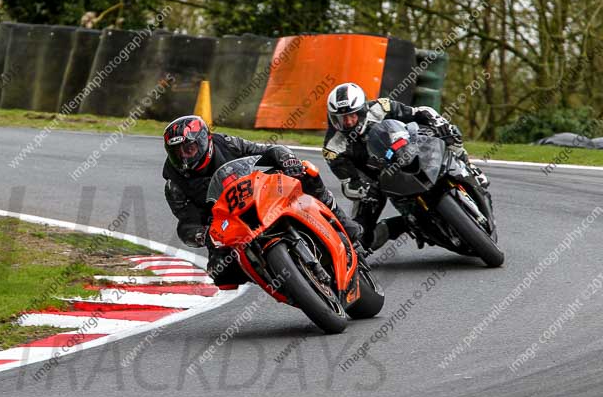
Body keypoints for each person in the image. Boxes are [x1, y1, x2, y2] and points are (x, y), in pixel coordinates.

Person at [163, 115, 362, 287]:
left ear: (204, 142)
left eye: (188, 149)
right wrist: (202, 234)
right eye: (176, 153)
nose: (184, 158)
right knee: (220, 273)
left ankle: (340, 220)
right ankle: (274, 277)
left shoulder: (225, 142)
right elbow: (186, 221)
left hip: (259, 192)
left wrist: (286, 159)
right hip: (225, 224)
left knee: (307, 171)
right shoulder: (174, 184)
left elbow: (265, 150)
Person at [322, 82, 488, 250]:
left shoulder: (381, 108)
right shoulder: (333, 148)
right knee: (360, 239)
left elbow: (419, 113)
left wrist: (439, 123)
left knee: (450, 135)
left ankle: (469, 167)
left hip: (406, 150)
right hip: (376, 181)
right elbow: (348, 183)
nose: (348, 122)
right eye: (341, 118)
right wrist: (363, 190)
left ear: (362, 110)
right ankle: (404, 225)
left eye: (352, 115)